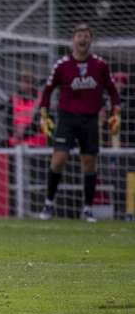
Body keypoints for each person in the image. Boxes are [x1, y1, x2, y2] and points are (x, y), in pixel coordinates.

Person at [38, 24, 121, 223]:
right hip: (67, 118)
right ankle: (49, 203)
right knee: (58, 159)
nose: (82, 39)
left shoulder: (100, 65)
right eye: (79, 36)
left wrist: (115, 113)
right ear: (72, 40)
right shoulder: (62, 65)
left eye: (86, 36)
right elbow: (47, 91)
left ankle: (87, 209)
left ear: (90, 40)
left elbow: (113, 92)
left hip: (90, 119)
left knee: (89, 162)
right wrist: (44, 115)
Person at [8, 69, 47, 148]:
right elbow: (8, 121)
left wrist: (24, 131)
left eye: (28, 82)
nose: (25, 85)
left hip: (35, 139)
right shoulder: (14, 99)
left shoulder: (41, 99)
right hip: (16, 139)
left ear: (33, 83)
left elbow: (44, 123)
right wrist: (15, 133)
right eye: (22, 82)